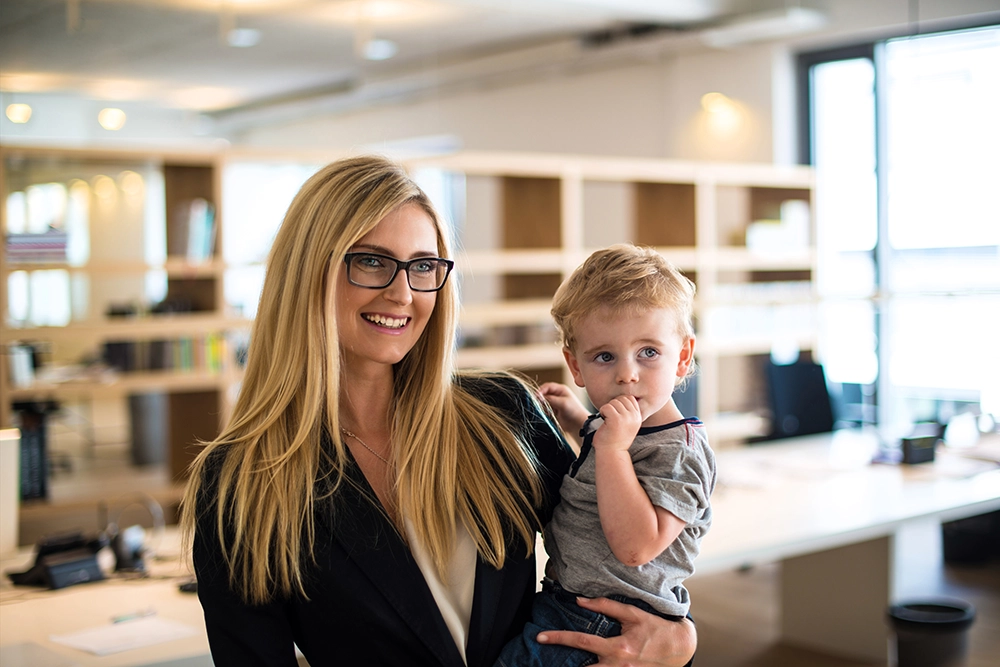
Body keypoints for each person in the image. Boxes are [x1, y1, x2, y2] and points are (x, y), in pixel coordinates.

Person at [180, 156, 697, 667]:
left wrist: (680, 644)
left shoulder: (503, 413)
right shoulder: (239, 480)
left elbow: (623, 557)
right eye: (371, 261)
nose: (403, 293)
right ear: (308, 271)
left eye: (423, 266)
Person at [497, 244, 716, 667]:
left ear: (683, 357)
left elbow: (637, 546)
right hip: (572, 601)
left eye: (649, 352)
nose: (626, 374)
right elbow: (609, 472)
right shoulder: (618, 428)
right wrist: (578, 419)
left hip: (605, 619)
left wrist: (612, 444)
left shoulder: (679, 453)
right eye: (604, 357)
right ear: (575, 366)